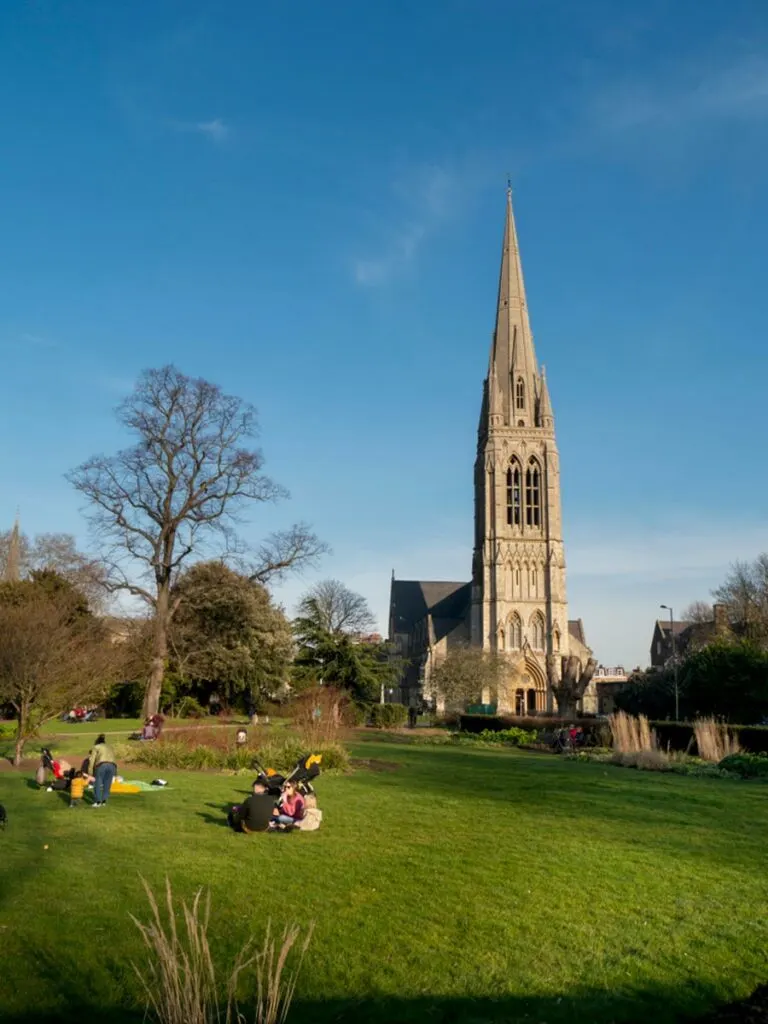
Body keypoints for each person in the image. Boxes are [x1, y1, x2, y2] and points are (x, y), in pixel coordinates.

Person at [87, 734, 117, 807]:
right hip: (112, 765)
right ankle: (104, 801)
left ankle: (97, 802)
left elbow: (92, 760)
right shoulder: (110, 747)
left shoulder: (96, 747)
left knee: (97, 783)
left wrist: (90, 772)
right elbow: (114, 758)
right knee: (107, 784)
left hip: (101, 765)